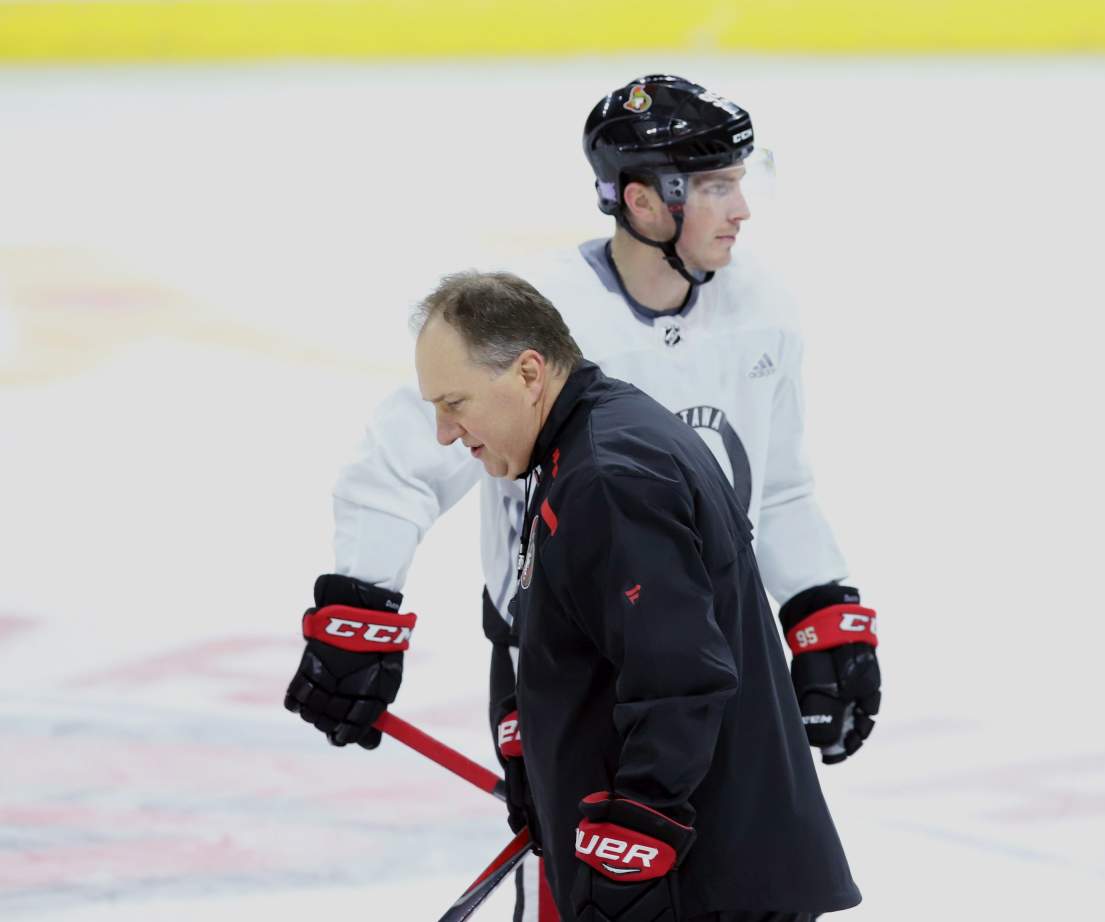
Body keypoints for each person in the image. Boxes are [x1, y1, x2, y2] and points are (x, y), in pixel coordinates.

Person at [283, 75, 881, 921]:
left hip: (700, 665)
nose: (740, 208)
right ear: (643, 201)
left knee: (729, 882)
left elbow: (777, 487)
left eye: (741, 181)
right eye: (714, 186)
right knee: (588, 895)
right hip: (563, 671)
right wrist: (360, 603)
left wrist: (821, 612)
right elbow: (410, 454)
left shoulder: (763, 310)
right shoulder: (536, 316)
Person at [415, 269, 863, 921]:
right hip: (692, 883)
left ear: (529, 374)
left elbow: (680, 679)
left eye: (454, 403)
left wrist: (633, 846)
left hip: (698, 892)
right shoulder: (588, 441)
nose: (444, 433)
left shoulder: (609, 479)